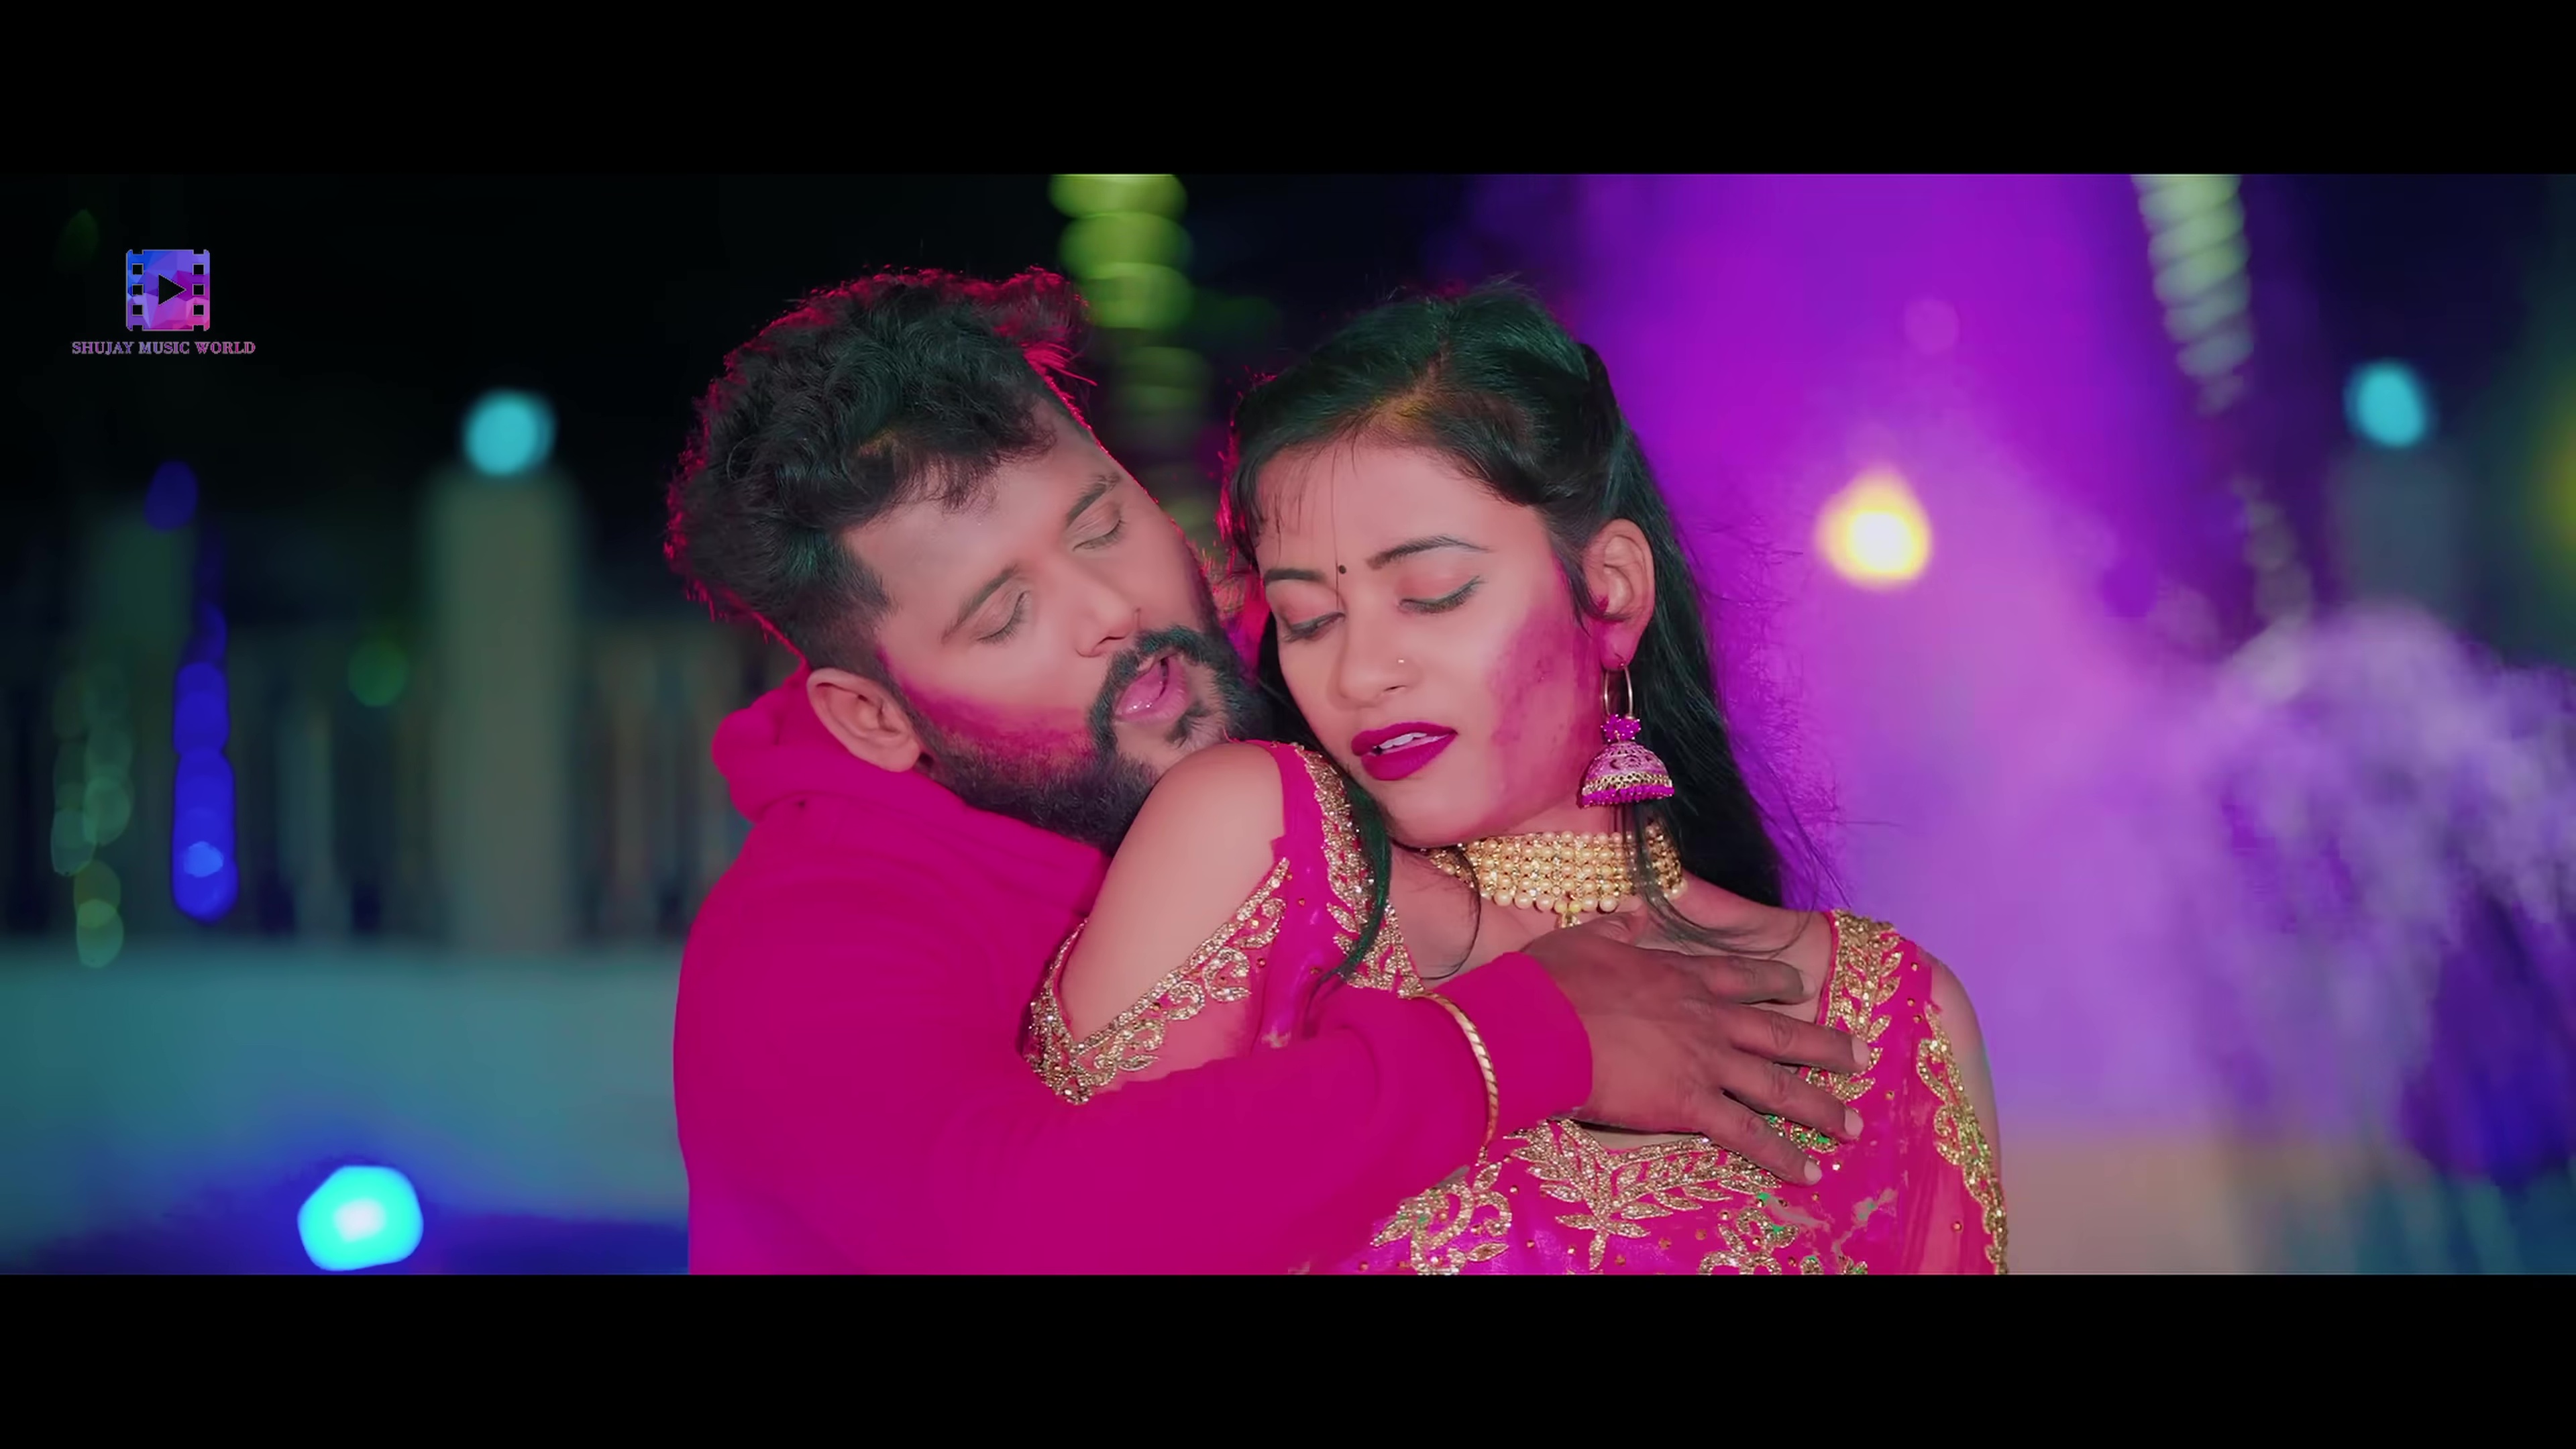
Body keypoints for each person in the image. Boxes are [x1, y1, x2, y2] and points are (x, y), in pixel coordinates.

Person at [666, 268, 1872, 1274]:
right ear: (876, 717)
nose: (1111, 609)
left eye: (1102, 523)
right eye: (1004, 615)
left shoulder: (1304, 706)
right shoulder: (810, 938)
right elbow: (1016, 1233)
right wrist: (1521, 1038)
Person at [1030, 282, 2007, 1273]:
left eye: (1433, 594)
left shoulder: (1892, 1024)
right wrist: (1502, 1047)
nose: (1360, 673)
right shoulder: (1260, 850)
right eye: (1309, 620)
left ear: (1609, 592)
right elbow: (1044, 1229)